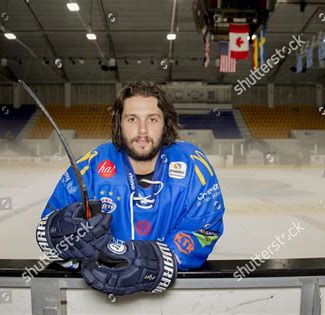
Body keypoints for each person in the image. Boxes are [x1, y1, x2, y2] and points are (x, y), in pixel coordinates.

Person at [36, 81, 225, 296]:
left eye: (152, 119)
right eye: (132, 119)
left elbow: (205, 230)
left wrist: (159, 260)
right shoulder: (90, 167)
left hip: (174, 303)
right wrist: (62, 235)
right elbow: (48, 228)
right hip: (99, 300)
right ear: (119, 122)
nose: (142, 130)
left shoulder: (193, 165)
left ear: (165, 123)